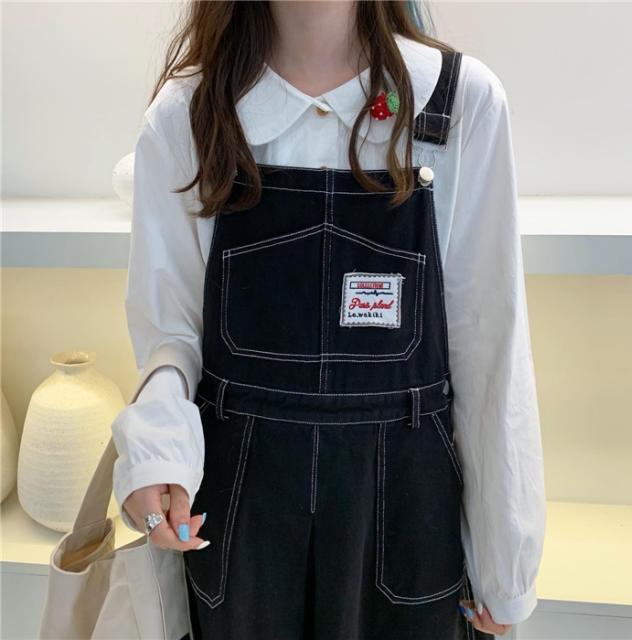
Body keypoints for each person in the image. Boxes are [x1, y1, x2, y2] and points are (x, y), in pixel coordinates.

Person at [110, 1, 547, 638]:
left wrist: (505, 562)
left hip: (408, 512)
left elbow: (490, 350)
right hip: (242, 517)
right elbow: (171, 339)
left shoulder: (459, 106)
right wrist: (154, 455)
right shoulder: (188, 115)